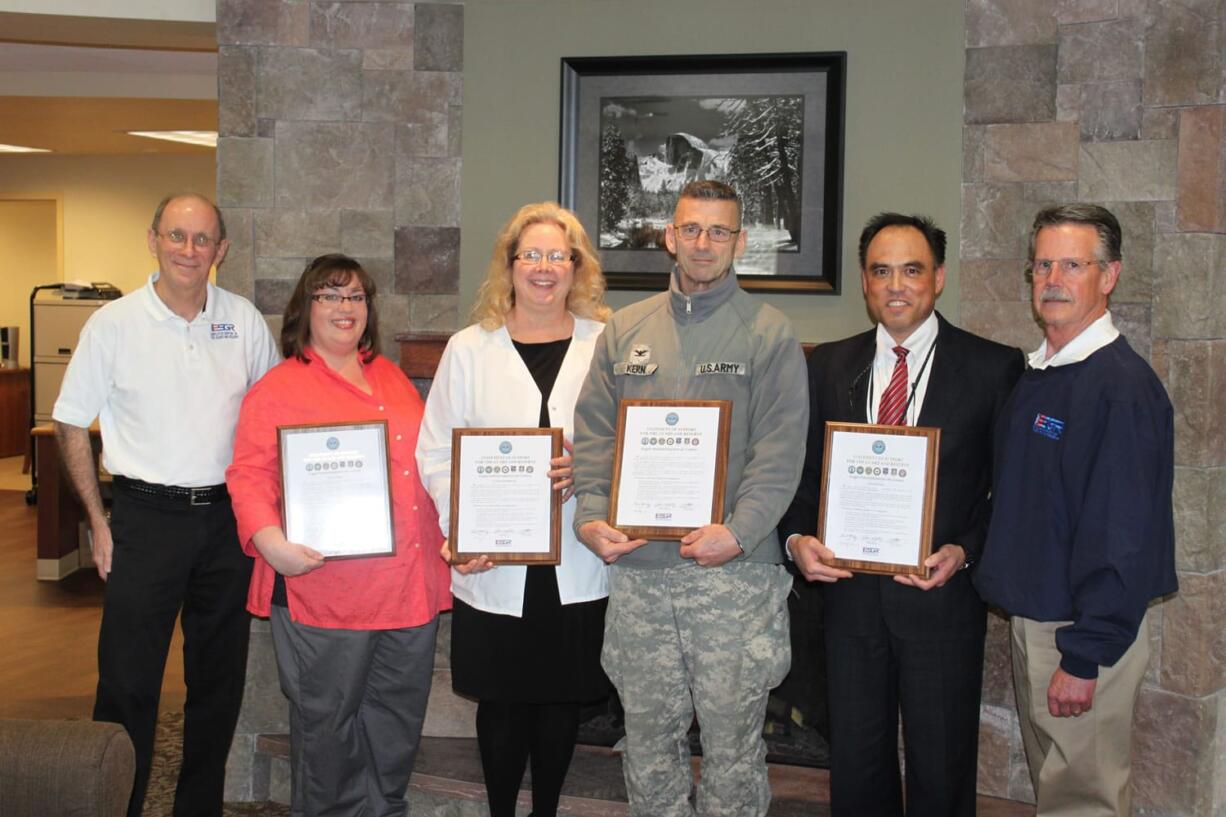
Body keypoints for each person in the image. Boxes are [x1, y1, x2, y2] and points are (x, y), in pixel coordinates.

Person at [572, 180, 808, 817]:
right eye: (692, 230)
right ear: (669, 237)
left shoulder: (770, 333)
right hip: (642, 577)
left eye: (720, 231)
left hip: (733, 577)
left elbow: (780, 453)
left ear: (740, 241)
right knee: (647, 742)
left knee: (733, 747)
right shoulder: (624, 330)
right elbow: (594, 437)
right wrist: (591, 517)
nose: (705, 243)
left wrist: (738, 531)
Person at [778, 213, 1024, 817]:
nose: (895, 286)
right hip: (849, 600)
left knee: (941, 769)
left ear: (938, 278)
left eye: (911, 270)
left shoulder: (994, 368)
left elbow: (1008, 492)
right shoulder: (829, 364)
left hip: (941, 598)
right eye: (880, 271)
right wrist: (796, 540)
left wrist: (964, 550)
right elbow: (804, 477)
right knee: (856, 767)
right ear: (864, 282)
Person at [51, 193, 281, 817]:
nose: (189, 249)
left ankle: (197, 807)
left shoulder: (244, 322)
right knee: (127, 683)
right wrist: (98, 523)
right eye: (177, 236)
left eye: (202, 239)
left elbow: (273, 421)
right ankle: (114, 806)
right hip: (143, 521)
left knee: (216, 682)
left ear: (221, 250)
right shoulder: (114, 324)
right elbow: (70, 423)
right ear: (152, 240)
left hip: (224, 521)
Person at [226, 254, 451, 817]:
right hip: (323, 594)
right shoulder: (277, 389)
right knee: (327, 734)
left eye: (356, 297)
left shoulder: (392, 377)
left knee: (396, 728)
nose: (345, 308)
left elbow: (426, 467)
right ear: (306, 307)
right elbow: (249, 476)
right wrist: (271, 543)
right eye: (330, 295)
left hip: (407, 591)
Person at [974, 204, 1177, 817]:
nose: (1053, 278)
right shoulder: (1042, 373)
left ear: (1108, 276)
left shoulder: (1120, 387)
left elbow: (1125, 538)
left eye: (1073, 264)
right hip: (1040, 624)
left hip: (1080, 636)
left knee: (1082, 801)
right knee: (1057, 791)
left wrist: (1084, 655)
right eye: (1042, 264)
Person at [416, 202, 613, 817]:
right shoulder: (469, 349)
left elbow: (626, 442)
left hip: (576, 559)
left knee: (559, 700)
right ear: (510, 265)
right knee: (501, 702)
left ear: (576, 267)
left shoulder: (605, 345)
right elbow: (436, 452)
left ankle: (546, 811)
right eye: (532, 254)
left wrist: (588, 467)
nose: (545, 267)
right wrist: (460, 529)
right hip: (493, 558)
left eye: (559, 255)